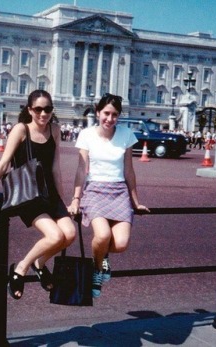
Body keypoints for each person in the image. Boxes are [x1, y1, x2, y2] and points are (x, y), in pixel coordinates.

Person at [0, 90, 76, 300]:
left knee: (69, 234)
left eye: (48, 109)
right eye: (38, 109)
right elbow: (3, 164)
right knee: (55, 236)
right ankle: (21, 269)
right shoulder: (20, 129)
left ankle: (39, 263)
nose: (43, 114)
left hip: (50, 193)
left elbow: (56, 169)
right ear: (29, 110)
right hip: (29, 194)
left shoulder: (55, 130)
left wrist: (63, 201)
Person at [67, 93, 149, 298]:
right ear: (97, 112)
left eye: (114, 114)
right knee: (102, 235)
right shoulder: (86, 134)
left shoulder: (126, 134)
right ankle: (97, 269)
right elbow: (81, 170)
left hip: (119, 191)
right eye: (106, 113)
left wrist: (135, 202)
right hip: (94, 190)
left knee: (120, 244)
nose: (109, 119)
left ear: (119, 116)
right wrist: (76, 199)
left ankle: (103, 256)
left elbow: (129, 170)